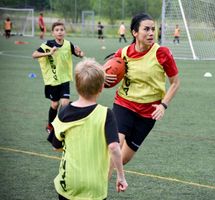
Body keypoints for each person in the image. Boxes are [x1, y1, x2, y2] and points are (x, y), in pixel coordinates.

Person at [109, 13, 180, 174]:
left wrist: (163, 105)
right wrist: (104, 75)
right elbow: (107, 71)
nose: (151, 33)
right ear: (135, 32)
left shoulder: (162, 53)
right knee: (114, 148)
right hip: (124, 105)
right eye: (146, 29)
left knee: (124, 159)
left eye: (153, 29)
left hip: (148, 113)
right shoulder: (123, 53)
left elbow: (175, 83)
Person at [48, 58, 128, 200]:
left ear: (76, 85)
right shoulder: (106, 114)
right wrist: (121, 176)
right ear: (101, 88)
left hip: (69, 182)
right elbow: (115, 148)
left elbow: (56, 146)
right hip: (95, 185)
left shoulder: (64, 112)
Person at [32, 21, 84, 134]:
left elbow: (79, 54)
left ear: (64, 32)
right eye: (57, 30)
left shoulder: (68, 44)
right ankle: (50, 126)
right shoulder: (48, 44)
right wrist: (48, 53)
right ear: (52, 33)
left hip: (65, 79)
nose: (59, 32)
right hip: (53, 80)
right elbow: (34, 55)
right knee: (55, 104)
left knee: (65, 103)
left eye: (61, 30)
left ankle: (59, 126)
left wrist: (80, 54)